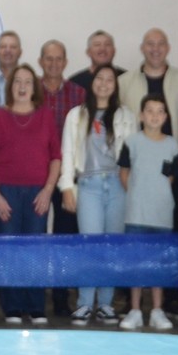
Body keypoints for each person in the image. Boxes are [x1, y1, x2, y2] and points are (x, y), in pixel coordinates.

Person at [0, 64, 61, 325]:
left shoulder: (45, 116)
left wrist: (48, 191)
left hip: (38, 193)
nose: (23, 86)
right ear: (10, 86)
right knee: (10, 250)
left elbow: (56, 158)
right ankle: (13, 307)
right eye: (18, 81)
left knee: (36, 250)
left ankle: (36, 306)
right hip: (6, 193)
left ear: (35, 87)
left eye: (28, 81)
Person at [62, 64, 135, 325]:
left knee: (113, 247)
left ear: (116, 86)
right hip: (88, 186)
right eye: (99, 79)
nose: (104, 84)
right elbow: (68, 153)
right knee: (89, 245)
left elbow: (132, 157)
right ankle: (84, 303)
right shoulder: (76, 115)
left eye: (110, 80)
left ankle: (105, 303)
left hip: (117, 185)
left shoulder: (126, 115)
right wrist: (67, 187)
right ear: (92, 83)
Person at [118, 95, 178, 331]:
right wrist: (136, 195)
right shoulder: (132, 142)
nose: (154, 116)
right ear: (141, 115)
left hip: (162, 215)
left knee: (159, 264)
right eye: (149, 111)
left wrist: (158, 196)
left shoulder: (172, 144)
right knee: (137, 262)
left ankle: (156, 310)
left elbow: (170, 176)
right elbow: (124, 173)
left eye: (160, 111)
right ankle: (134, 310)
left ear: (165, 116)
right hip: (136, 214)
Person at [41, 39, 89, 318]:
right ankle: (32, 294)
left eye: (59, 59)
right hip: (36, 174)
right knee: (33, 237)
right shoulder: (31, 90)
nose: (54, 63)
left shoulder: (79, 93)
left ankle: (61, 298)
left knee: (65, 239)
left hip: (69, 178)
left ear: (66, 62)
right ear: (41, 61)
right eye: (49, 58)